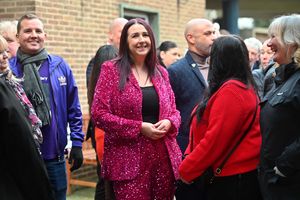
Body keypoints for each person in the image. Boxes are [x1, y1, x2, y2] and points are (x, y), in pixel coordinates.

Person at [91, 18, 182, 200]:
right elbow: (98, 114)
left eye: (145, 35)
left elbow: (174, 111)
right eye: (135, 36)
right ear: (126, 41)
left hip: (163, 159)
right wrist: (139, 127)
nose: (141, 40)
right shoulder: (111, 70)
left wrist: (169, 121)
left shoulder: (161, 72)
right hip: (128, 162)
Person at [9, 13, 84, 200]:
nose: (34, 35)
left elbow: (73, 107)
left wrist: (76, 143)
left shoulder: (60, 66)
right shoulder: (8, 70)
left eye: (38, 31)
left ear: (45, 36)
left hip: (55, 157)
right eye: (27, 31)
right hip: (21, 158)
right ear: (18, 37)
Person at [179, 35, 262, 200]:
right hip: (234, 176)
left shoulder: (231, 91)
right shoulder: (240, 86)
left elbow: (215, 141)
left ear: (220, 60)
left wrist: (187, 169)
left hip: (231, 179)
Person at [0, 34, 54, 200]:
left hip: (26, 164)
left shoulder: (9, 83)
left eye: (5, 51)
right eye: (0, 52)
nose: (5, 56)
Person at [85, 17, 128, 200]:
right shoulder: (102, 58)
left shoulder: (128, 61)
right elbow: (95, 94)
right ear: (110, 35)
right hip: (104, 127)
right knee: (106, 178)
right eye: (122, 33)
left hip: (118, 128)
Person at [259, 14, 300, 200]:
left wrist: (284, 167)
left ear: (292, 41)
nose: (268, 43)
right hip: (272, 182)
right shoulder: (281, 77)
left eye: (274, 36)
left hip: (289, 184)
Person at [168, 18, 216, 153]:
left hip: (215, 144)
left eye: (214, 33)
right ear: (191, 38)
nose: (214, 38)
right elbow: (169, 112)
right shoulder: (175, 71)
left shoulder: (218, 66)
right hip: (188, 146)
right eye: (207, 34)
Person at [87, 45, 118, 200]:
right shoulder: (108, 84)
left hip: (100, 134)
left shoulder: (94, 82)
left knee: (104, 180)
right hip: (107, 135)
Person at [86, 17, 128, 87]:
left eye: (128, 33)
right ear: (110, 35)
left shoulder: (128, 58)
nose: (126, 36)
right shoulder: (97, 60)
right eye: (122, 32)